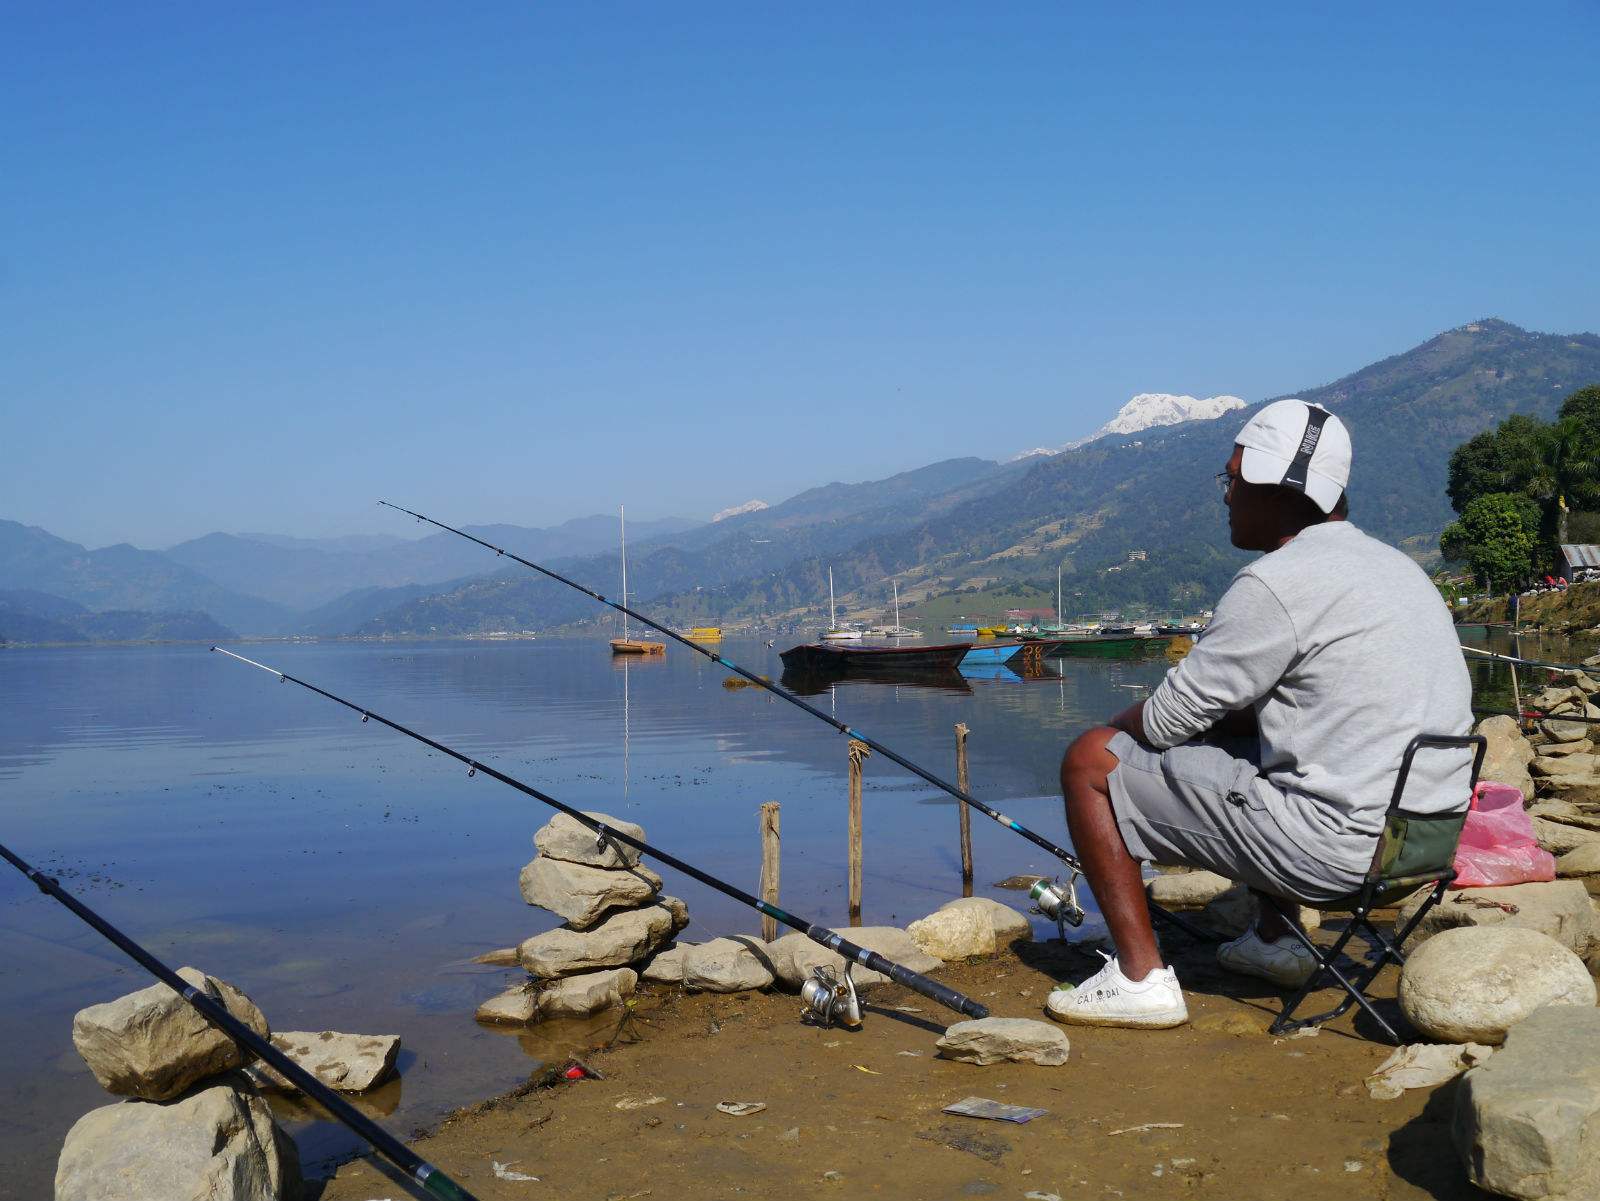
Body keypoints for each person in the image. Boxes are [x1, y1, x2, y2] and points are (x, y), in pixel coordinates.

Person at [1047, 399, 1473, 1029]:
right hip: (1424, 842)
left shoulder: (1276, 583)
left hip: (1342, 854)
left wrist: (1115, 730)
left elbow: (1165, 722)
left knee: (1089, 760)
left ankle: (1140, 979)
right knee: (1266, 748)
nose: (1226, 497)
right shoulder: (1397, 569)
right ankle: (1278, 944)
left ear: (1277, 491)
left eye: (1233, 480)